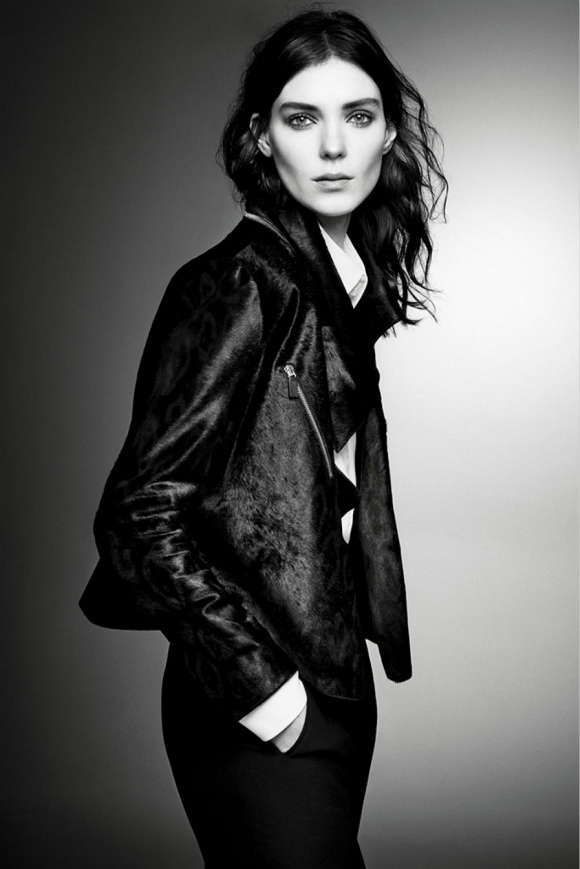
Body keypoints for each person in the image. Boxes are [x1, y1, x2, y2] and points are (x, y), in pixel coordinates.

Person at [80, 8, 447, 868]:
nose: (333, 147)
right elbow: (137, 513)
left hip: (331, 683)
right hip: (255, 703)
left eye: (358, 116)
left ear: (388, 133)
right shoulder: (241, 283)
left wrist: (331, 686)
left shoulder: (341, 290)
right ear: (261, 137)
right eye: (301, 117)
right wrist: (268, 693)